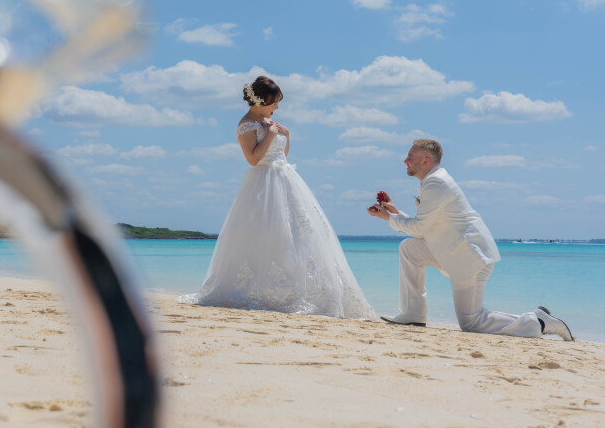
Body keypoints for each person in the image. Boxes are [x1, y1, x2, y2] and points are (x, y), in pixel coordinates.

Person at [182, 76, 376, 319]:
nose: (277, 108)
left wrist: (286, 135)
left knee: (299, 235)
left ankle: (302, 289)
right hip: (263, 184)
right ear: (260, 101)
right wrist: (272, 134)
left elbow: (281, 155)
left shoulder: (269, 122)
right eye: (274, 102)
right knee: (269, 234)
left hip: (287, 181)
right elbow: (253, 159)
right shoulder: (246, 125)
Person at [367, 139, 573, 340]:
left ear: (425, 161)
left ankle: (539, 322)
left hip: (469, 257)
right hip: (453, 253)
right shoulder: (432, 181)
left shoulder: (436, 183)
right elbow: (424, 230)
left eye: (410, 157)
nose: (405, 160)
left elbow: (420, 227)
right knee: (409, 249)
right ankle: (413, 314)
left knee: (472, 323)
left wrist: (389, 217)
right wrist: (393, 212)